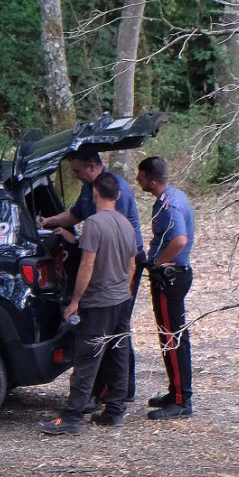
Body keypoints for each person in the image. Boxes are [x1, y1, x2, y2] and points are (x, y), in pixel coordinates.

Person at [38, 149, 144, 403]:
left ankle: (109, 393)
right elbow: (76, 213)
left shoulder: (113, 193)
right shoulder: (91, 188)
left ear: (93, 166)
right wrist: (48, 221)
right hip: (110, 266)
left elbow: (107, 242)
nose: (74, 176)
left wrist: (79, 299)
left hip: (117, 262)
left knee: (107, 334)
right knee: (114, 330)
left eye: (77, 171)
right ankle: (114, 397)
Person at [136, 156, 194, 419]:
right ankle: (176, 392)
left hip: (170, 277)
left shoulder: (168, 205)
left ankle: (182, 401)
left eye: (140, 176)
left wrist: (157, 262)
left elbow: (180, 240)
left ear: (152, 180)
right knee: (171, 337)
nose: (137, 180)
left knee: (173, 339)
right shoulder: (175, 196)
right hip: (175, 275)